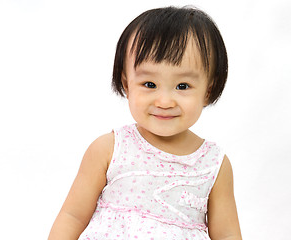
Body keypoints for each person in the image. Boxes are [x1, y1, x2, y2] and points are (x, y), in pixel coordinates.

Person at [48, 6, 242, 240]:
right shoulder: (109, 149)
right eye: (149, 84)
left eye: (183, 86)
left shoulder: (214, 164)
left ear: (208, 90)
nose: (164, 101)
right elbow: (73, 216)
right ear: (127, 83)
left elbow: (228, 234)